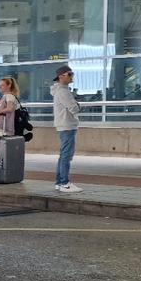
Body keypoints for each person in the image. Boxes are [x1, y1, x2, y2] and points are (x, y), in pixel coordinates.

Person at [51, 64, 82, 193]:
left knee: (63, 155)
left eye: (72, 74)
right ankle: (64, 183)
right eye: (69, 74)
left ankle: (59, 182)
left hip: (63, 125)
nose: (71, 77)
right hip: (67, 125)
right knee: (66, 155)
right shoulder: (63, 91)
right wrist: (78, 105)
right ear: (61, 76)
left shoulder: (59, 90)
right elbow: (74, 108)